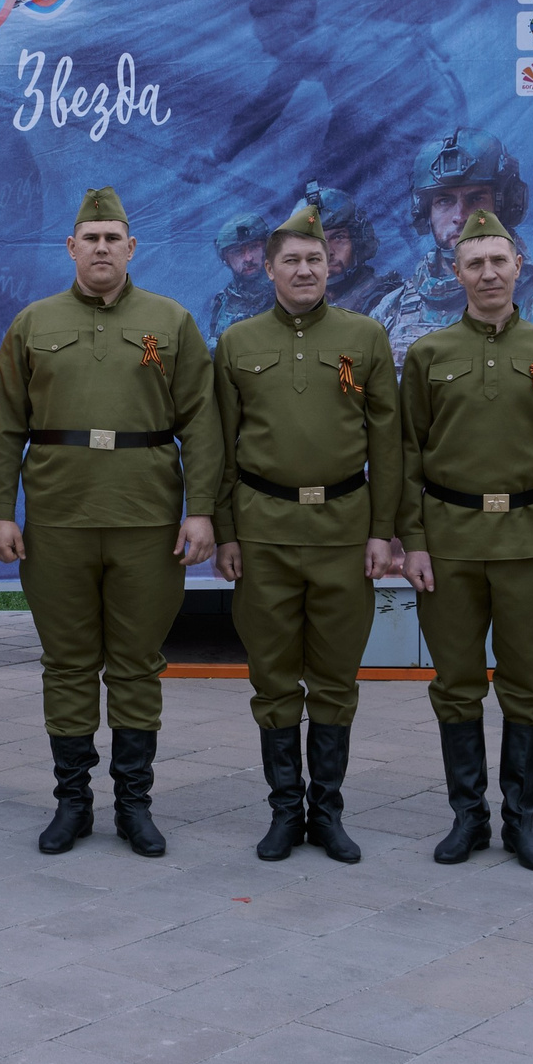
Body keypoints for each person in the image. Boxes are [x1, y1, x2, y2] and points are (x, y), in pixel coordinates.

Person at [0, 186, 218, 858]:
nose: (102, 248)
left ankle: (134, 804)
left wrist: (199, 510)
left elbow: (202, 423)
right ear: (70, 246)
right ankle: (72, 801)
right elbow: (4, 428)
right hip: (57, 520)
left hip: (147, 519)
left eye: (113, 237)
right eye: (90, 238)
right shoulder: (34, 323)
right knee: (67, 661)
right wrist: (3, 511)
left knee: (138, 662)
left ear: (131, 246)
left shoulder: (170, 322)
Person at [398, 207, 533, 873]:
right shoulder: (429, 354)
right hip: (449, 544)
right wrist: (413, 541)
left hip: (532, 543)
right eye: (473, 261)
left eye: (498, 259)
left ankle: (522, 820)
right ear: (455, 271)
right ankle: (468, 818)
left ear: (519, 264)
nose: (487, 272)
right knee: (455, 684)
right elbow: (408, 453)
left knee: (526, 685)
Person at [211, 199, 400, 863]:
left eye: (315, 258)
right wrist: (226, 530)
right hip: (263, 531)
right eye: (290, 259)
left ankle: (329, 811)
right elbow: (222, 445)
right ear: (267, 268)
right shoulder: (238, 343)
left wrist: (385, 530)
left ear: (333, 263)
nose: (303, 268)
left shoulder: (365, 337)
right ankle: (285, 812)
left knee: (335, 676)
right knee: (272, 675)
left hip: (345, 530)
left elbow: (389, 441)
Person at [375, 128, 533, 372]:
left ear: (503, 205)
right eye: (444, 201)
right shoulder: (394, 309)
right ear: (425, 212)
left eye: (475, 199)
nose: (460, 216)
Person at [313, 187, 390, 315]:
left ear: (358, 243)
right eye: (314, 241)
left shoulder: (387, 303)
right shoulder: (296, 310)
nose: (326, 252)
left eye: (338, 237)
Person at [199, 211, 273, 342]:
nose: (248, 258)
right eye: (237, 251)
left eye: (254, 247)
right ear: (225, 259)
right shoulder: (219, 305)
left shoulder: (288, 290)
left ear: (266, 248)